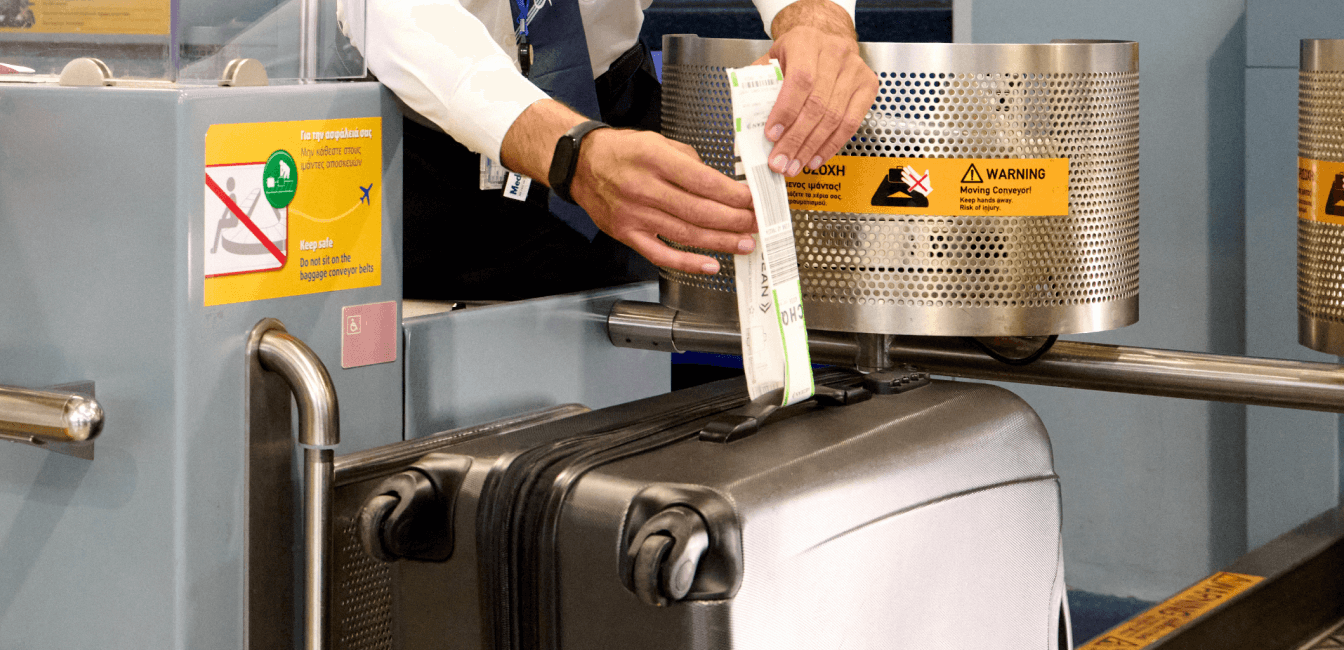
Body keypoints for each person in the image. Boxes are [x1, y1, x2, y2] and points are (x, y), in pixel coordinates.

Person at [357, 0, 879, 299]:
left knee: (623, 404)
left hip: (616, 121)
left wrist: (815, 15)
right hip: (424, 148)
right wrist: (569, 154)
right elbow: (397, 16)